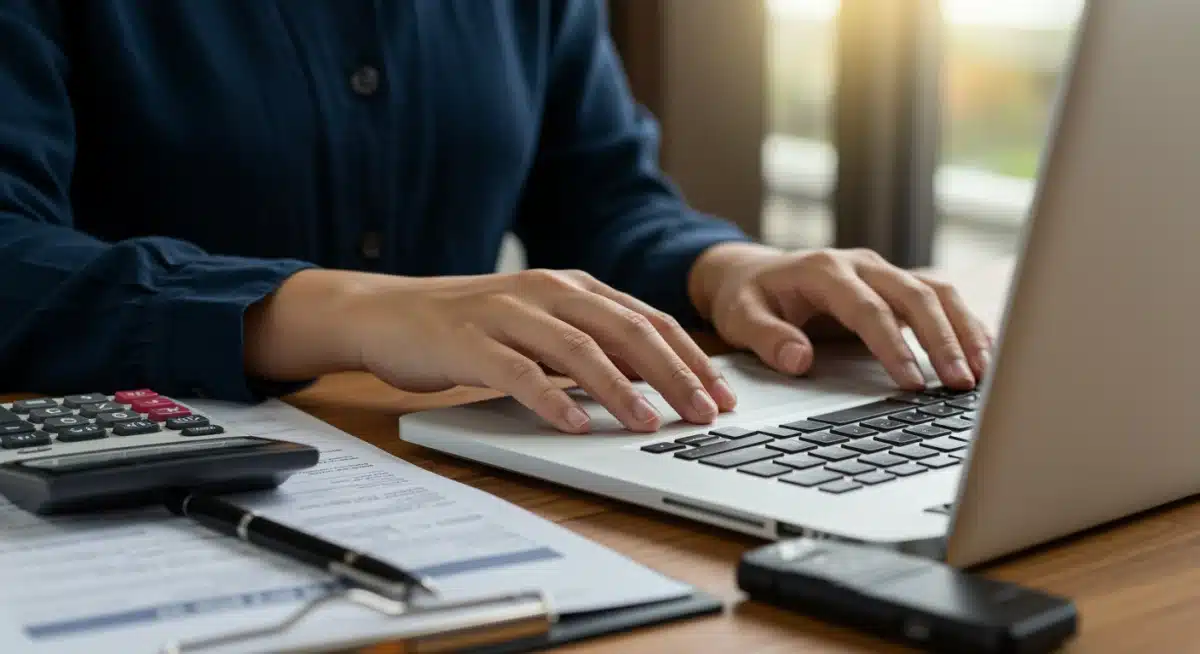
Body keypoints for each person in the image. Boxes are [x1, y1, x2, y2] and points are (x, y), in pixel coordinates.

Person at [0, 0, 991, 435]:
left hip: (469, 483)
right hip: (140, 501)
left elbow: (601, 200)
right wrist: (352, 310)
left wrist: (726, 270)